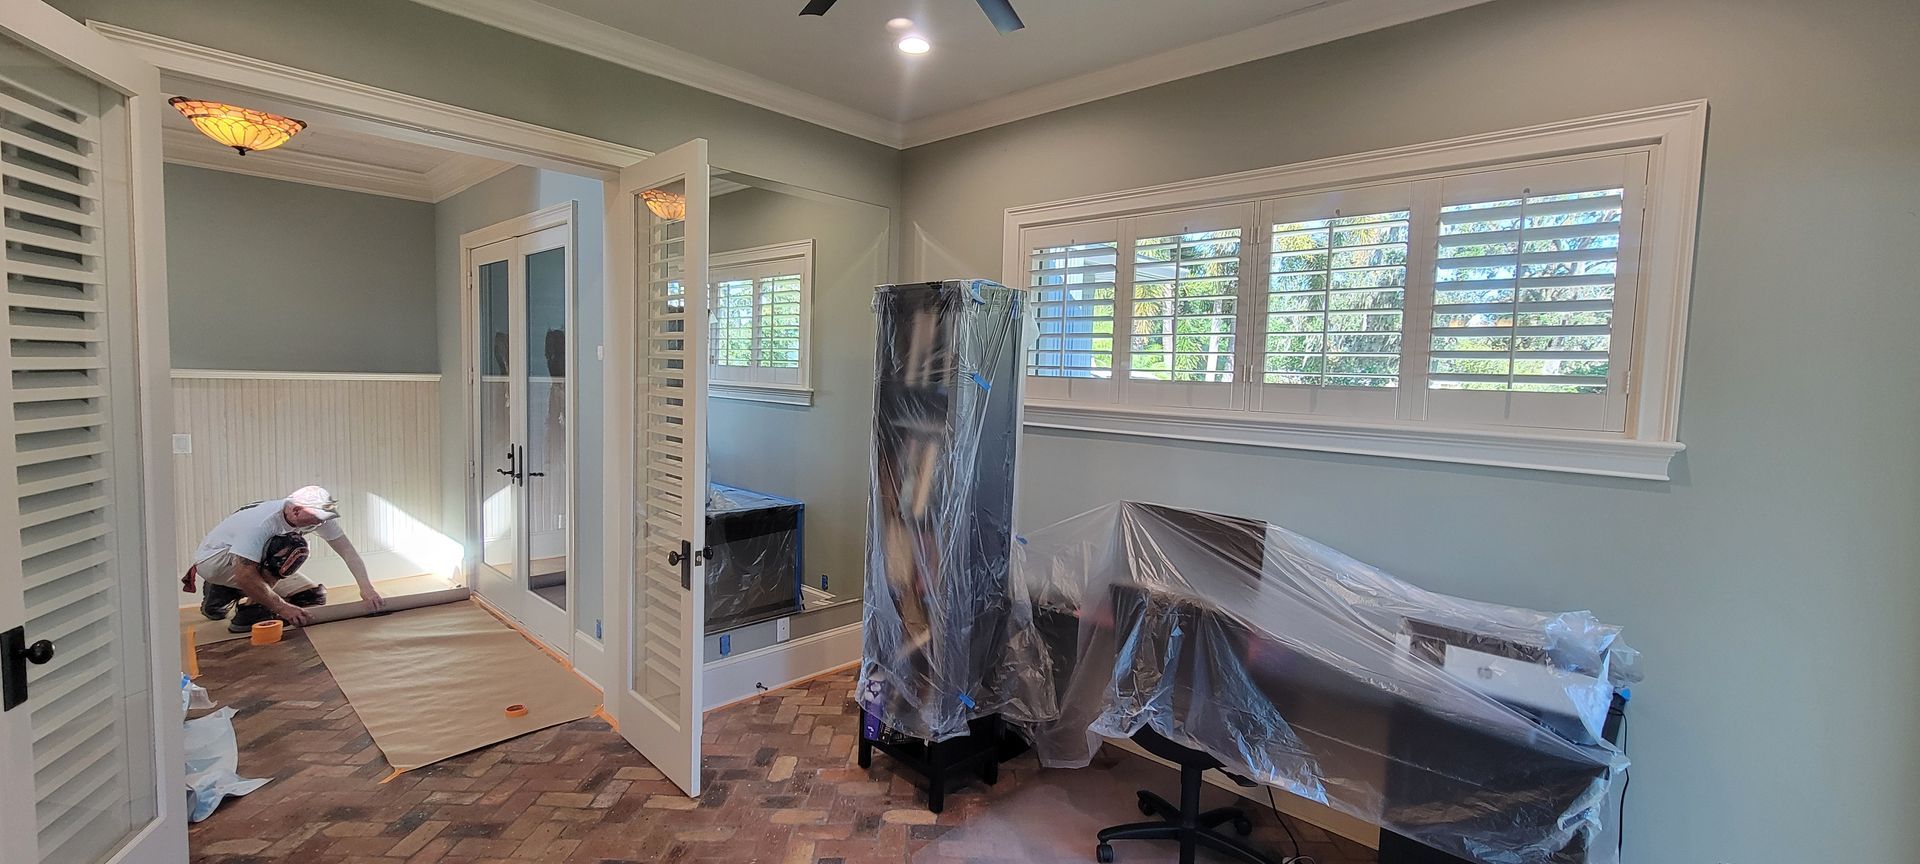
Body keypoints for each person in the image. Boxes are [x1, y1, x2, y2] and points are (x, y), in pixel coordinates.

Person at [187, 485, 386, 632]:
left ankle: (223, 592)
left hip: (244, 561)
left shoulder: (318, 518)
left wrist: (366, 588)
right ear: (296, 510)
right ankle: (250, 610)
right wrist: (282, 608)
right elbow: (244, 574)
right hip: (215, 562)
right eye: (317, 517)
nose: (320, 522)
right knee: (292, 546)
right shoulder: (263, 522)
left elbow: (348, 552)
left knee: (311, 597)